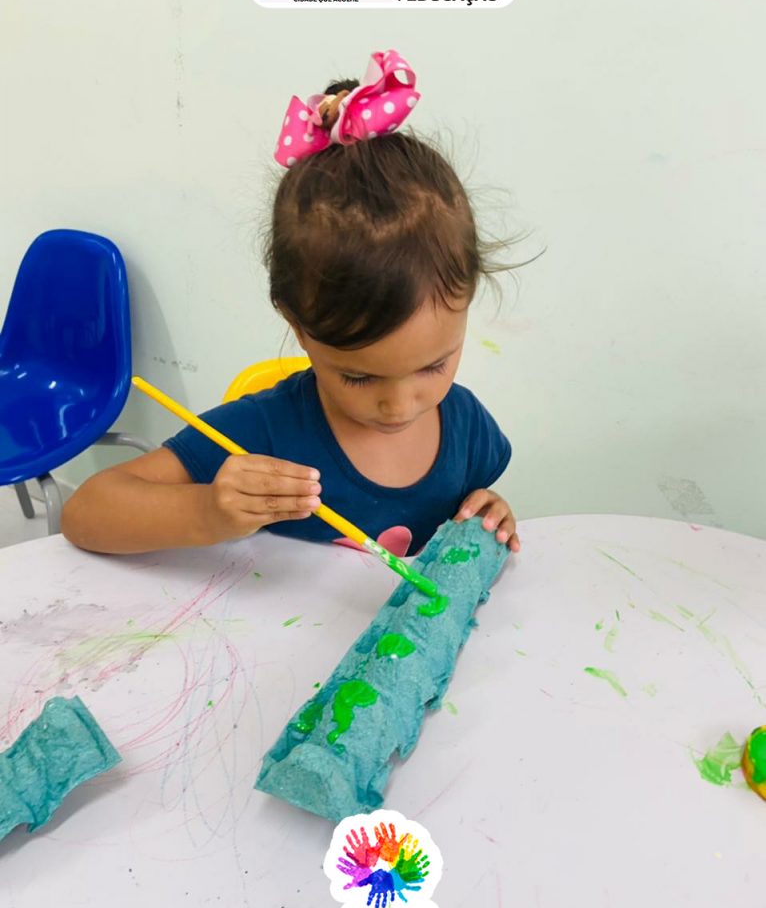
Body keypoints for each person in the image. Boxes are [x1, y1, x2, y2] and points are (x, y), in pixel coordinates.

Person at [61, 49, 521, 558]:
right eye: (359, 377)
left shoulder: (466, 427)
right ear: (296, 323)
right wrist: (206, 511)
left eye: (434, 365)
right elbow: (85, 513)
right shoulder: (267, 432)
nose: (399, 405)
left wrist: (488, 515)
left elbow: (470, 518)